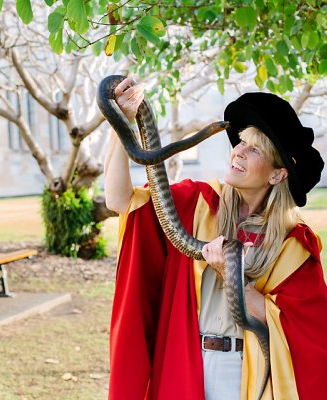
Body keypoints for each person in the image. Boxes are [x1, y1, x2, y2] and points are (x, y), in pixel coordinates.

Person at [104, 77, 327, 400]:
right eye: (240, 142)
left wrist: (230, 274)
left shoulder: (293, 245)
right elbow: (118, 200)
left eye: (255, 149)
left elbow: (303, 328)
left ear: (277, 174)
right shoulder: (196, 203)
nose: (238, 152)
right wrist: (121, 124)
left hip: (246, 373)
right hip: (187, 360)